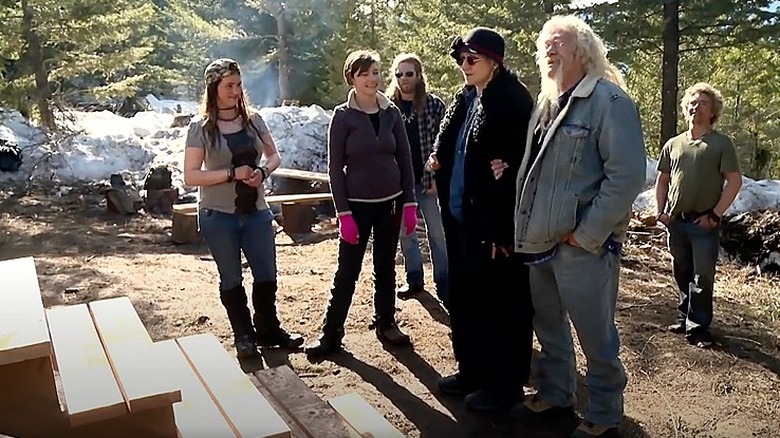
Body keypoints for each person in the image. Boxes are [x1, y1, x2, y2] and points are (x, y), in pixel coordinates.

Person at [511, 16, 646, 437]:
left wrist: (587, 233)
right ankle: (556, 393)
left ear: (583, 50)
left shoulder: (609, 101)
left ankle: (605, 414)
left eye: (560, 41)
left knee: (596, 336)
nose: (549, 47)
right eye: (545, 42)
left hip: (582, 245)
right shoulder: (547, 102)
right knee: (549, 327)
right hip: (539, 241)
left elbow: (626, 176)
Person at [426, 27, 534, 412]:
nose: (464, 66)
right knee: (467, 299)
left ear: (494, 62)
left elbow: (524, 165)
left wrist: (505, 227)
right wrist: (439, 155)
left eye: (472, 59)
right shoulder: (469, 95)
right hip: (461, 219)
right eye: (461, 59)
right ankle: (471, 370)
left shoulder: (512, 100)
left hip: (495, 225)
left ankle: (504, 386)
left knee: (503, 305)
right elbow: (448, 134)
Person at [183, 58, 304, 359]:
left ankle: (268, 328)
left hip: (256, 212)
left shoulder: (254, 120)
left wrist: (262, 173)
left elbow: (274, 156)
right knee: (232, 277)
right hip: (217, 215)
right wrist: (230, 174)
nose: (236, 91)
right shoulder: (201, 128)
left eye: (238, 85)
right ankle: (243, 335)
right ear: (214, 88)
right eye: (229, 86)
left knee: (266, 274)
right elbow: (191, 176)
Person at [304, 50, 418, 356]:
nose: (372, 78)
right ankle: (331, 334)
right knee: (347, 271)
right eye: (364, 73)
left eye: (376, 72)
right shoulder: (342, 117)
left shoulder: (391, 111)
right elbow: (334, 168)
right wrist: (343, 213)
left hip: (390, 204)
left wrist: (409, 203)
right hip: (356, 205)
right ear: (352, 78)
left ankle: (386, 322)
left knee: (386, 267)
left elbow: (405, 159)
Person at [655, 82, 742, 349]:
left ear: (713, 110)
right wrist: (661, 212)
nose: (696, 107)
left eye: (702, 103)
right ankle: (685, 316)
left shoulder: (720, 144)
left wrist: (715, 216)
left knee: (703, 277)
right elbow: (662, 180)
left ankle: (699, 327)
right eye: (692, 103)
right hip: (677, 221)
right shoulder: (674, 144)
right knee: (681, 270)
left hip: (704, 222)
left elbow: (735, 182)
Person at [385, 53, 449, 306]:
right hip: (400, 184)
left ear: (419, 75)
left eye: (408, 74)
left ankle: (444, 283)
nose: (403, 79)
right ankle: (414, 281)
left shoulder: (434, 105)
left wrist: (437, 177)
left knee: (438, 233)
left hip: (428, 181)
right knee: (406, 234)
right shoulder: (388, 107)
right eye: (398, 74)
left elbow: (442, 144)